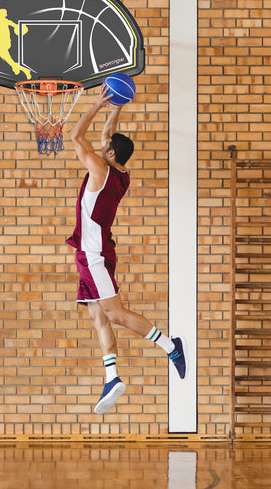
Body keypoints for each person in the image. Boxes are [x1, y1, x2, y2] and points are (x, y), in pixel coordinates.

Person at [66, 86, 186, 415]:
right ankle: (111, 377)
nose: (102, 144)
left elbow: (75, 135)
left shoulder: (100, 170)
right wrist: (117, 105)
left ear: (110, 154)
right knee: (97, 315)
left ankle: (170, 346)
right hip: (91, 252)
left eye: (106, 146)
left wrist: (97, 103)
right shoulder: (120, 173)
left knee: (115, 314)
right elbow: (108, 134)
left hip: (94, 254)